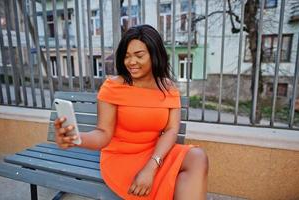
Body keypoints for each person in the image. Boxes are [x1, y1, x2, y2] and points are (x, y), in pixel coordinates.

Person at [54, 24, 208, 200]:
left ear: (154, 54)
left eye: (139, 55)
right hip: (122, 158)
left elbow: (171, 130)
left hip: (155, 153)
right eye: (127, 56)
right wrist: (75, 138)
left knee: (197, 157)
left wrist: (152, 166)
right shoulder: (114, 86)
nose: (131, 62)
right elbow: (103, 133)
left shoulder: (168, 88)